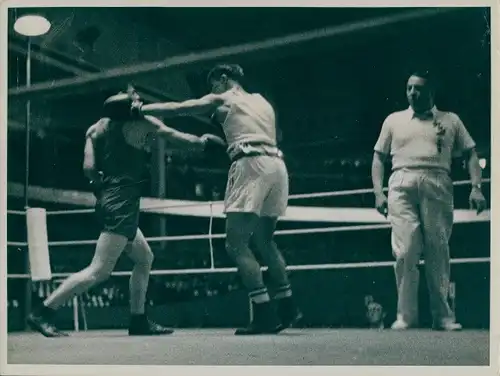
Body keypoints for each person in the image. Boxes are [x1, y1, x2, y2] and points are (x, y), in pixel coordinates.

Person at [27, 89, 224, 337]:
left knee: (144, 258)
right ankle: (43, 311)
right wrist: (204, 143)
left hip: (110, 199)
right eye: (134, 99)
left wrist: (105, 179)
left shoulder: (96, 128)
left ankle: (138, 320)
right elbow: (176, 136)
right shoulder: (141, 123)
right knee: (99, 270)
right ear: (127, 107)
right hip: (121, 204)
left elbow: (88, 169)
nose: (139, 102)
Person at [133, 64, 302, 335]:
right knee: (265, 240)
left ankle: (264, 313)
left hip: (251, 164)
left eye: (213, 85)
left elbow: (181, 108)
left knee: (236, 244)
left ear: (224, 80)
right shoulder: (261, 101)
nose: (211, 91)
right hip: (277, 166)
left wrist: (141, 110)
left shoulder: (224, 98)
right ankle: (288, 305)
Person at [371, 70, 487, 331]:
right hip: (401, 181)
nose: (413, 93)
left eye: (418, 88)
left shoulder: (451, 120)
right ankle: (405, 316)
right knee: (405, 250)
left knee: (438, 247)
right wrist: (378, 192)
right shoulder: (393, 120)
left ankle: (443, 316)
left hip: (438, 180)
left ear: (431, 91)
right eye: (409, 88)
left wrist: (476, 187)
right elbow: (378, 157)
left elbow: (470, 154)